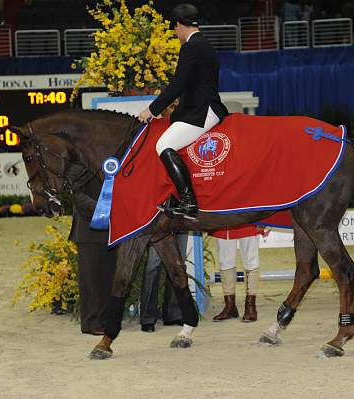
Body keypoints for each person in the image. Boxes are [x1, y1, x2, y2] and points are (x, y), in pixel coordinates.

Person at [137, 3, 229, 220]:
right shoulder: (203, 43)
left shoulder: (191, 46)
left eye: (175, 29)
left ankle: (189, 201)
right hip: (200, 106)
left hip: (204, 110)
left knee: (163, 145)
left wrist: (151, 109)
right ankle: (178, 196)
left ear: (179, 25)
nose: (176, 33)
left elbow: (178, 84)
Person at [67, 162, 116, 336]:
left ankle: (103, 319)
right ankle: (90, 321)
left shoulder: (111, 161)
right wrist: (102, 208)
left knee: (107, 277)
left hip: (111, 229)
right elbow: (76, 194)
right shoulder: (79, 164)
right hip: (88, 230)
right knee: (90, 279)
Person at [212, 225, 265, 322]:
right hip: (223, 218)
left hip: (248, 215)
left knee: (251, 259)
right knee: (224, 260)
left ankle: (250, 306)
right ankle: (230, 306)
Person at [139, 233, 188, 332]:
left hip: (182, 221)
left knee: (177, 266)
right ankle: (148, 317)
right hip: (160, 222)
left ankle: (173, 314)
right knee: (152, 266)